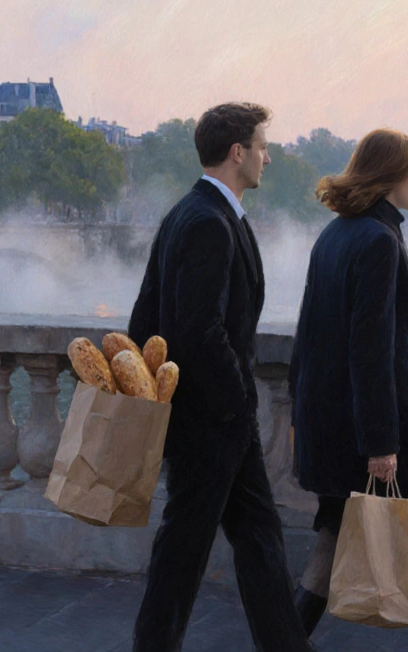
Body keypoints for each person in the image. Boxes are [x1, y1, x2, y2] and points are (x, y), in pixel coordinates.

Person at [128, 102, 315, 652]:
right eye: (261, 146)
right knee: (185, 552)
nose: (267, 156)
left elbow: (145, 317)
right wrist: (237, 403)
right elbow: (199, 328)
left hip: (212, 419)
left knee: (256, 540)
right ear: (237, 153)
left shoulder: (191, 213)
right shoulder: (210, 222)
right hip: (212, 421)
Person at [287, 129, 408, 651]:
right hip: (382, 431)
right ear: (391, 179)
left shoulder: (335, 234)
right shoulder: (378, 241)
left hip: (336, 423)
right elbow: (371, 353)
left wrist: (299, 411)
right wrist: (381, 445)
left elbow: (308, 335)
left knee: (331, 551)